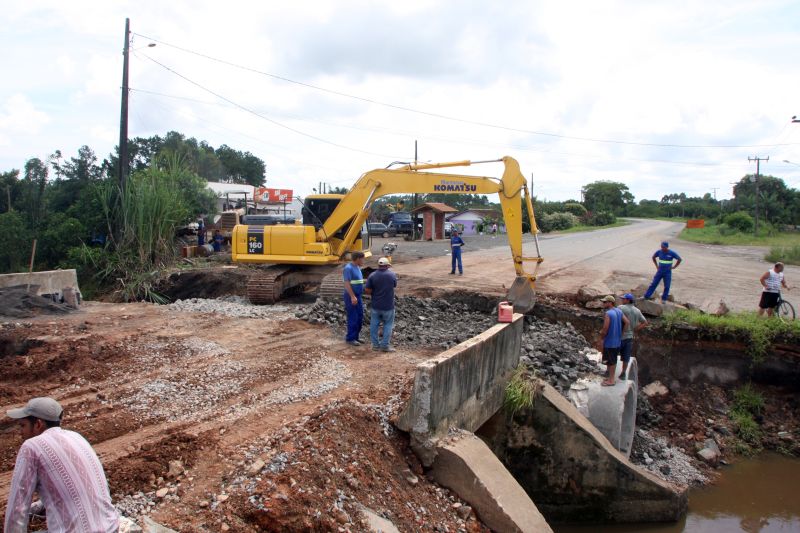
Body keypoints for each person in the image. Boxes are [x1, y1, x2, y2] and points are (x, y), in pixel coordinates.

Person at [5, 397, 119, 533]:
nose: (20, 432)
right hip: (111, 527)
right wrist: (40, 506)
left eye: (23, 425)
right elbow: (77, 490)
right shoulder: (77, 437)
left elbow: (17, 509)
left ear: (38, 424)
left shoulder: (31, 446)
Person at [365, 257, 398, 352]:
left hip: (376, 305)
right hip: (388, 306)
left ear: (378, 265)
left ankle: (375, 345)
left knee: (374, 325)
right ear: (387, 265)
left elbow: (367, 290)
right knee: (388, 325)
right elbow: (394, 285)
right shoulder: (391, 275)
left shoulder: (372, 275)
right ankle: (384, 346)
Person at [598, 295, 629, 386]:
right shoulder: (619, 311)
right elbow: (627, 322)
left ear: (610, 303)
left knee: (611, 361)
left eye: (605, 302)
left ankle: (611, 380)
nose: (603, 304)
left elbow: (605, 328)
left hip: (610, 342)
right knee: (613, 359)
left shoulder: (608, 313)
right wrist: (621, 334)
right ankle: (610, 378)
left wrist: (602, 338)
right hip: (617, 341)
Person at [618, 293, 648, 379]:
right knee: (626, 357)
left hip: (620, 336)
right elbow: (645, 322)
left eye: (623, 299)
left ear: (628, 300)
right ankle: (623, 373)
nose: (622, 300)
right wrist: (635, 329)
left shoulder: (621, 308)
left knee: (614, 354)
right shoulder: (637, 311)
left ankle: (609, 372)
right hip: (630, 337)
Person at [343, 251, 366, 346]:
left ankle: (356, 336)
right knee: (353, 317)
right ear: (357, 259)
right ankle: (350, 338)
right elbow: (347, 284)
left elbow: (358, 281)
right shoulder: (348, 268)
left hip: (358, 296)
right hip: (351, 296)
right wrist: (352, 296)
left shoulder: (357, 267)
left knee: (360, 316)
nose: (363, 260)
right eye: (362, 259)